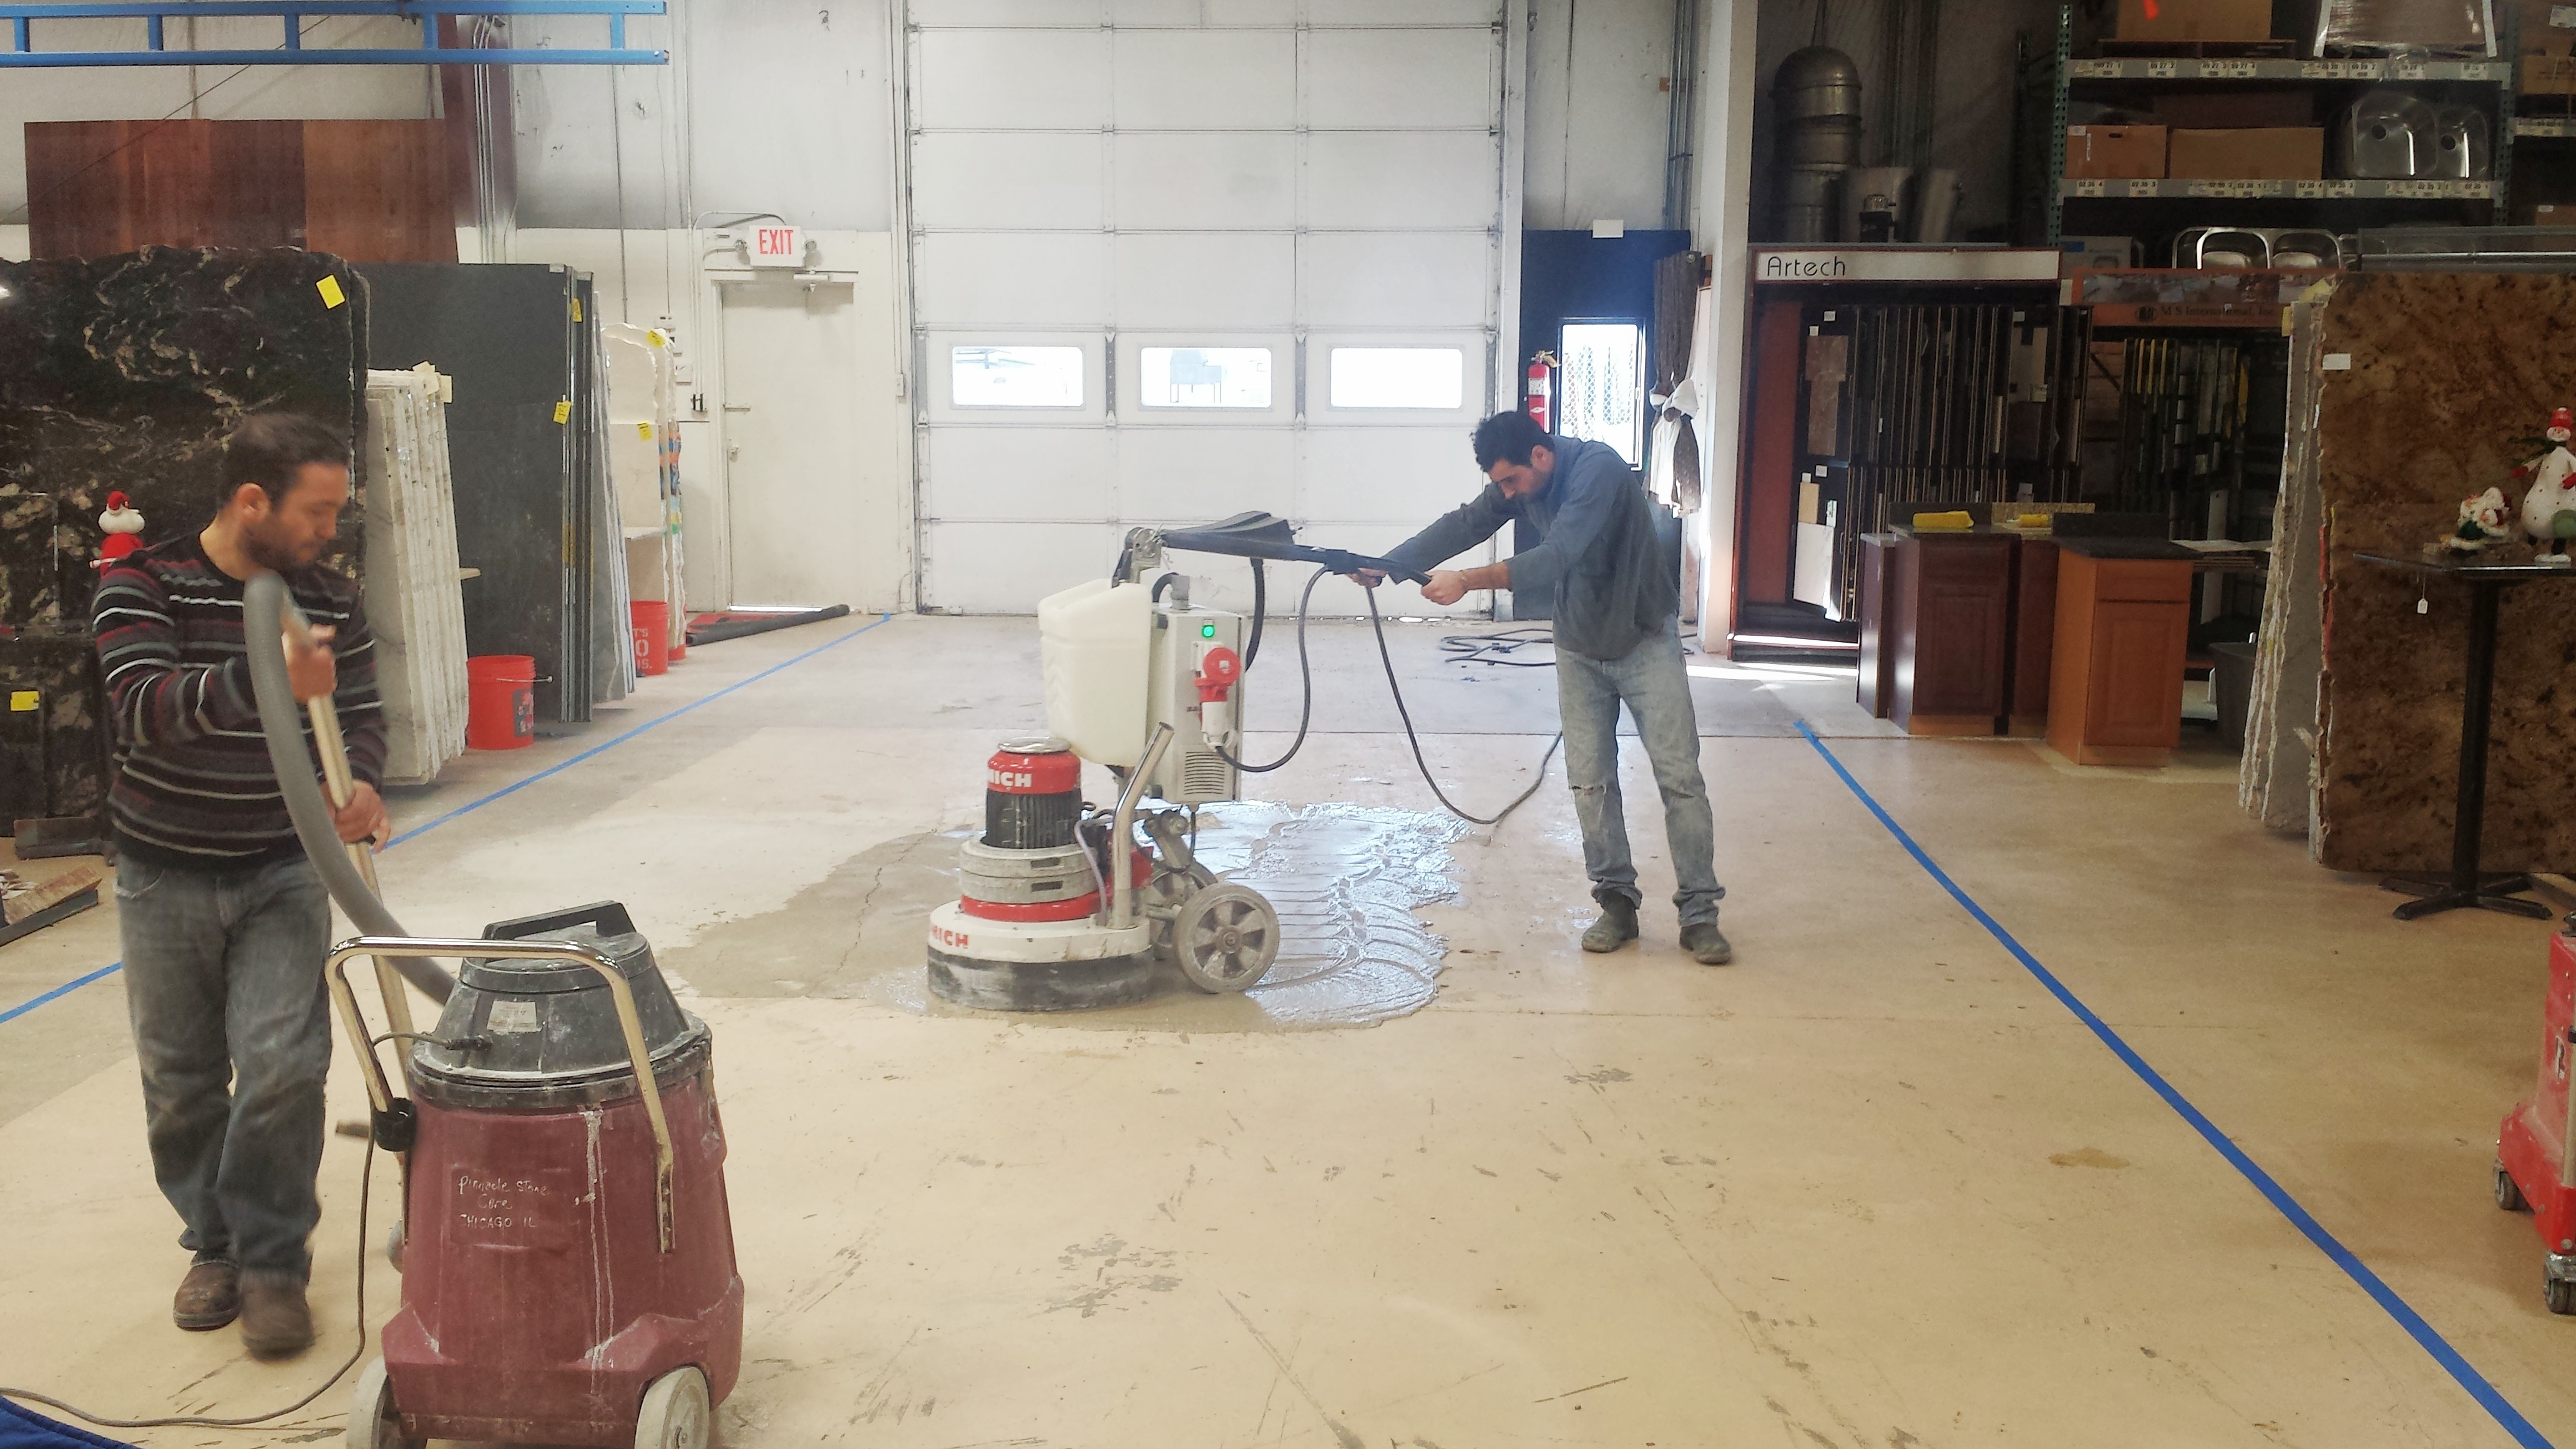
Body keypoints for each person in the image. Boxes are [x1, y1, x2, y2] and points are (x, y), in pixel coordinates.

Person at [92, 412, 388, 1358]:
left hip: (283, 867)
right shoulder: (142, 582)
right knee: (180, 1081)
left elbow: (367, 710)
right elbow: (144, 711)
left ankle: (270, 1262)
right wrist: (266, 676)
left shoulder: (330, 597)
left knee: (282, 1065)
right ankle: (212, 1243)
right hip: (164, 870)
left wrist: (366, 781)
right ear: (252, 501)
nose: (328, 531)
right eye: (316, 510)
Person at [1367, 411, 1729, 965]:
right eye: (1500, 485)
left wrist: (1466, 581)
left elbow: (1558, 555)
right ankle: (1617, 905)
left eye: (1511, 480)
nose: (1507, 494)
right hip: (1580, 648)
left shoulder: (1598, 471)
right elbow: (1466, 523)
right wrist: (1390, 565)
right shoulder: (1520, 482)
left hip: (1644, 640)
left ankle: (1700, 914)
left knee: (1680, 778)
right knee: (1590, 783)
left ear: (1541, 456)